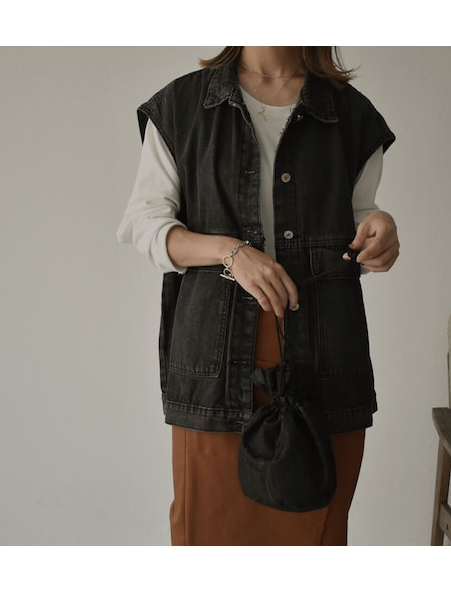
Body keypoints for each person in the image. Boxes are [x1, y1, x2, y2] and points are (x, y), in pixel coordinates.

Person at [117, 46, 400, 546]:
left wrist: (380, 226)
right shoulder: (182, 106)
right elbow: (145, 226)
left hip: (324, 355)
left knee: (314, 535)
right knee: (209, 536)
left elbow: (358, 216)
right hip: (218, 361)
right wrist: (231, 252)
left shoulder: (351, 114)